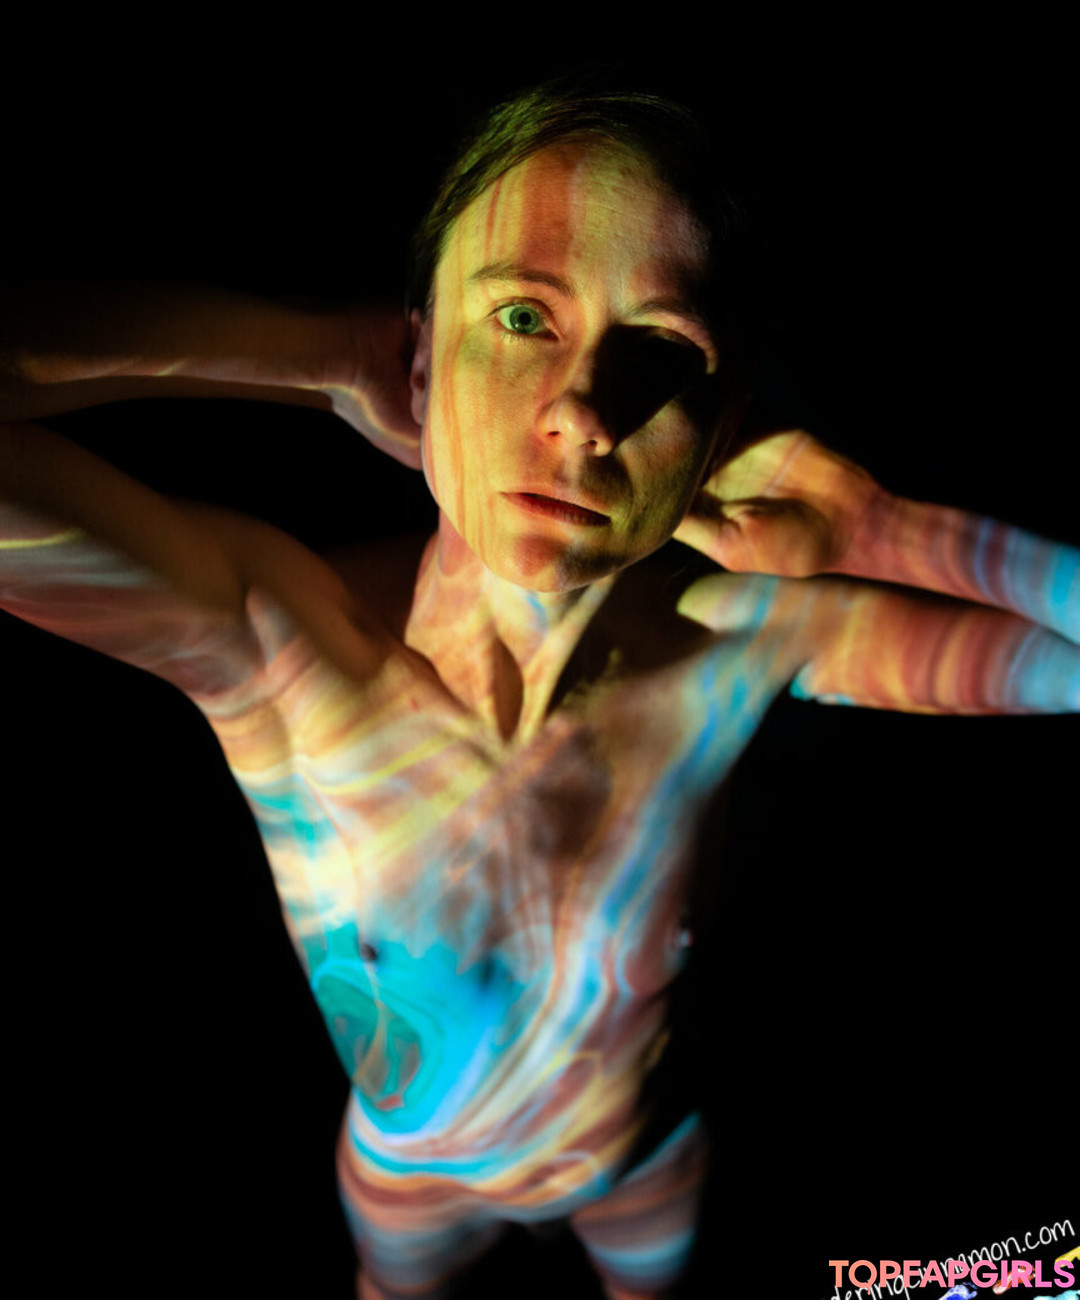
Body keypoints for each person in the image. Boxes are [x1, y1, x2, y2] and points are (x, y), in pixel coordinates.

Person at [2, 73, 1077, 1298]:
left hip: (640, 1161)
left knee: (998, 1279)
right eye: (522, 316)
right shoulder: (287, 654)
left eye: (661, 349)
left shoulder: (749, 642)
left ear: (723, 424)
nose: (581, 412)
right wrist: (322, 354)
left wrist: (888, 530)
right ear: (422, 354)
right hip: (409, 1179)